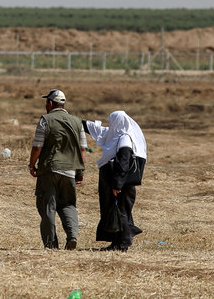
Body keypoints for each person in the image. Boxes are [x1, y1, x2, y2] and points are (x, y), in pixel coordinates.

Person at [28, 89, 87, 250]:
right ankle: (72, 236)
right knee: (68, 205)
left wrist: (32, 165)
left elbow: (37, 146)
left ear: (50, 103)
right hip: (70, 171)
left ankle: (51, 244)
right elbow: (82, 149)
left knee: (48, 206)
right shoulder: (77, 122)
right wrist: (80, 171)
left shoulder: (45, 120)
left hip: (50, 170)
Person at [83, 111, 147, 252]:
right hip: (116, 180)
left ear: (118, 122)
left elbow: (124, 161)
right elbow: (94, 128)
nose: (110, 125)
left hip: (120, 181)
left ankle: (123, 242)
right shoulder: (115, 135)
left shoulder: (124, 138)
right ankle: (117, 242)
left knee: (121, 211)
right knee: (116, 211)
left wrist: (117, 184)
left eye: (112, 122)